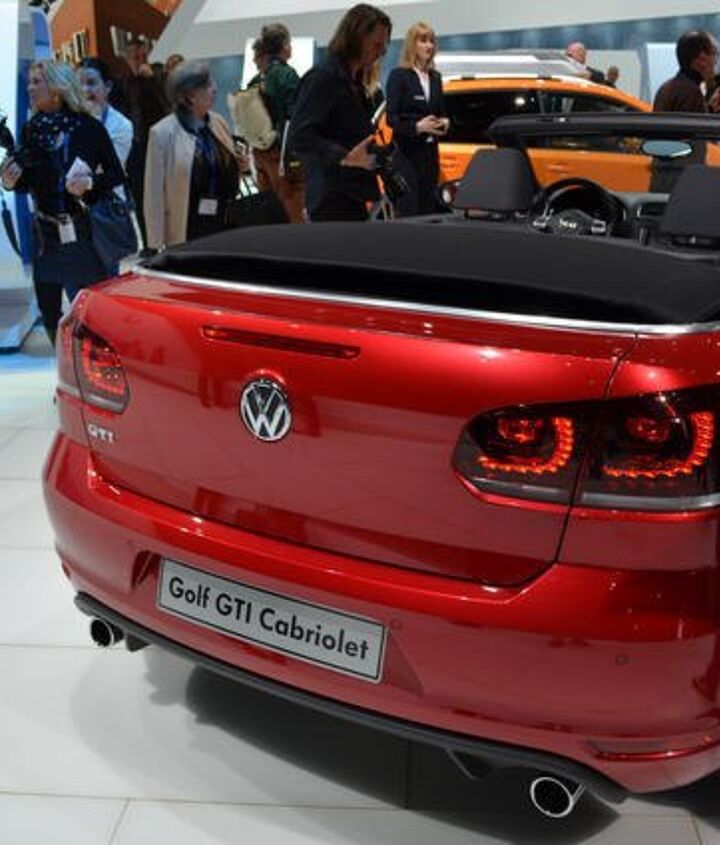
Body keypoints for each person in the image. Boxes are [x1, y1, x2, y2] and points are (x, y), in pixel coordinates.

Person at [0, 61, 124, 346]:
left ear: (56, 88)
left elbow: (117, 175)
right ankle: (64, 365)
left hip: (83, 234)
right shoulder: (32, 130)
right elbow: (27, 183)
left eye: (36, 81)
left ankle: (91, 368)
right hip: (46, 237)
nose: (29, 88)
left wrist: (89, 182)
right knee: (49, 313)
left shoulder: (89, 128)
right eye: (30, 81)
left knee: (90, 317)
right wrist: (9, 181)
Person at [289, 3, 392, 221]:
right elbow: (300, 136)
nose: (383, 51)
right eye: (377, 44)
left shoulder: (354, 83)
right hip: (331, 198)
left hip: (351, 194)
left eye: (385, 45)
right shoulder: (323, 78)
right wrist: (344, 156)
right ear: (356, 38)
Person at [143, 61, 240, 250]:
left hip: (223, 219)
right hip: (186, 224)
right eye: (207, 85)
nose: (215, 88)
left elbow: (229, 165)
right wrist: (155, 242)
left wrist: (239, 163)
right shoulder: (162, 133)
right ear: (189, 96)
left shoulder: (218, 121)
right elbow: (154, 193)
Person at [386, 22, 448, 216]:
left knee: (428, 212)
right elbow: (391, 118)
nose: (429, 45)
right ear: (412, 44)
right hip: (407, 156)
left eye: (431, 41)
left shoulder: (436, 77)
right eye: (423, 41)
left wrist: (445, 122)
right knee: (409, 212)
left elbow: (441, 112)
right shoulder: (399, 76)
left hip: (430, 156)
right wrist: (417, 127)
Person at [116, 37, 170, 242]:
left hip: (160, 145)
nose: (139, 60)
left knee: (164, 195)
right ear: (127, 58)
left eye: (142, 56)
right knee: (140, 197)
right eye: (134, 57)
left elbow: (168, 104)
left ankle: (169, 238)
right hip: (136, 148)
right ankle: (148, 242)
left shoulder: (158, 75)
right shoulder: (122, 83)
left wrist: (153, 80)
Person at [251, 23, 304, 223]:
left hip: (260, 154)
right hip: (283, 154)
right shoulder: (286, 74)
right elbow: (297, 114)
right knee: (292, 207)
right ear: (283, 46)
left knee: (270, 209)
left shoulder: (256, 79)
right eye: (289, 43)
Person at [77, 58, 133, 168]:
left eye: (91, 83)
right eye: (79, 84)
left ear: (108, 86)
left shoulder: (122, 125)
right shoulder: (70, 119)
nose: (84, 89)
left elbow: (108, 169)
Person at [654, 30, 718, 113]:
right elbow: (693, 121)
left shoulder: (664, 88)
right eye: (714, 54)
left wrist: (709, 109)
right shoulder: (691, 92)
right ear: (702, 58)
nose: (715, 62)